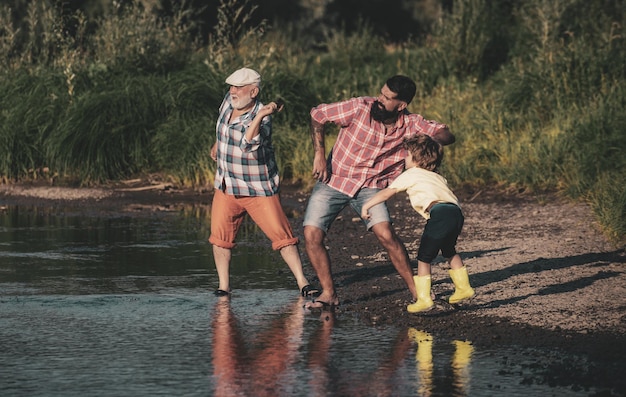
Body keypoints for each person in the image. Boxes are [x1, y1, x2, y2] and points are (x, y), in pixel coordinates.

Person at [303, 75, 455, 310]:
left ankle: (418, 294)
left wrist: (432, 138)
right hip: (334, 179)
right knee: (312, 234)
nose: (379, 99)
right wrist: (319, 155)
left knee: (386, 234)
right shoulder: (359, 107)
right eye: (381, 93)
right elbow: (318, 114)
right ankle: (329, 293)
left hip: (372, 187)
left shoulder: (411, 123)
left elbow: (446, 134)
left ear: (401, 105)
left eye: (387, 98)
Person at [209, 67, 317, 297]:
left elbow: (247, 145)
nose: (233, 91)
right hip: (227, 184)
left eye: (239, 87)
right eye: (232, 86)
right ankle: (223, 287)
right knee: (220, 239)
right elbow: (223, 128)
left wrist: (260, 115)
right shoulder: (229, 102)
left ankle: (303, 282)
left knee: (283, 237)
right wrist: (218, 143)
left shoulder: (263, 120)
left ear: (254, 91)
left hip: (257, 188)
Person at [361, 134, 475, 313]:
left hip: (439, 214)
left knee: (424, 258)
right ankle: (463, 288)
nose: (405, 158)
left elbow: (387, 193)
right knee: (449, 249)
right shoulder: (437, 177)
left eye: (407, 155)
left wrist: (367, 205)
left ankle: (424, 299)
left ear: (415, 158)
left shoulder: (411, 174)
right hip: (456, 214)